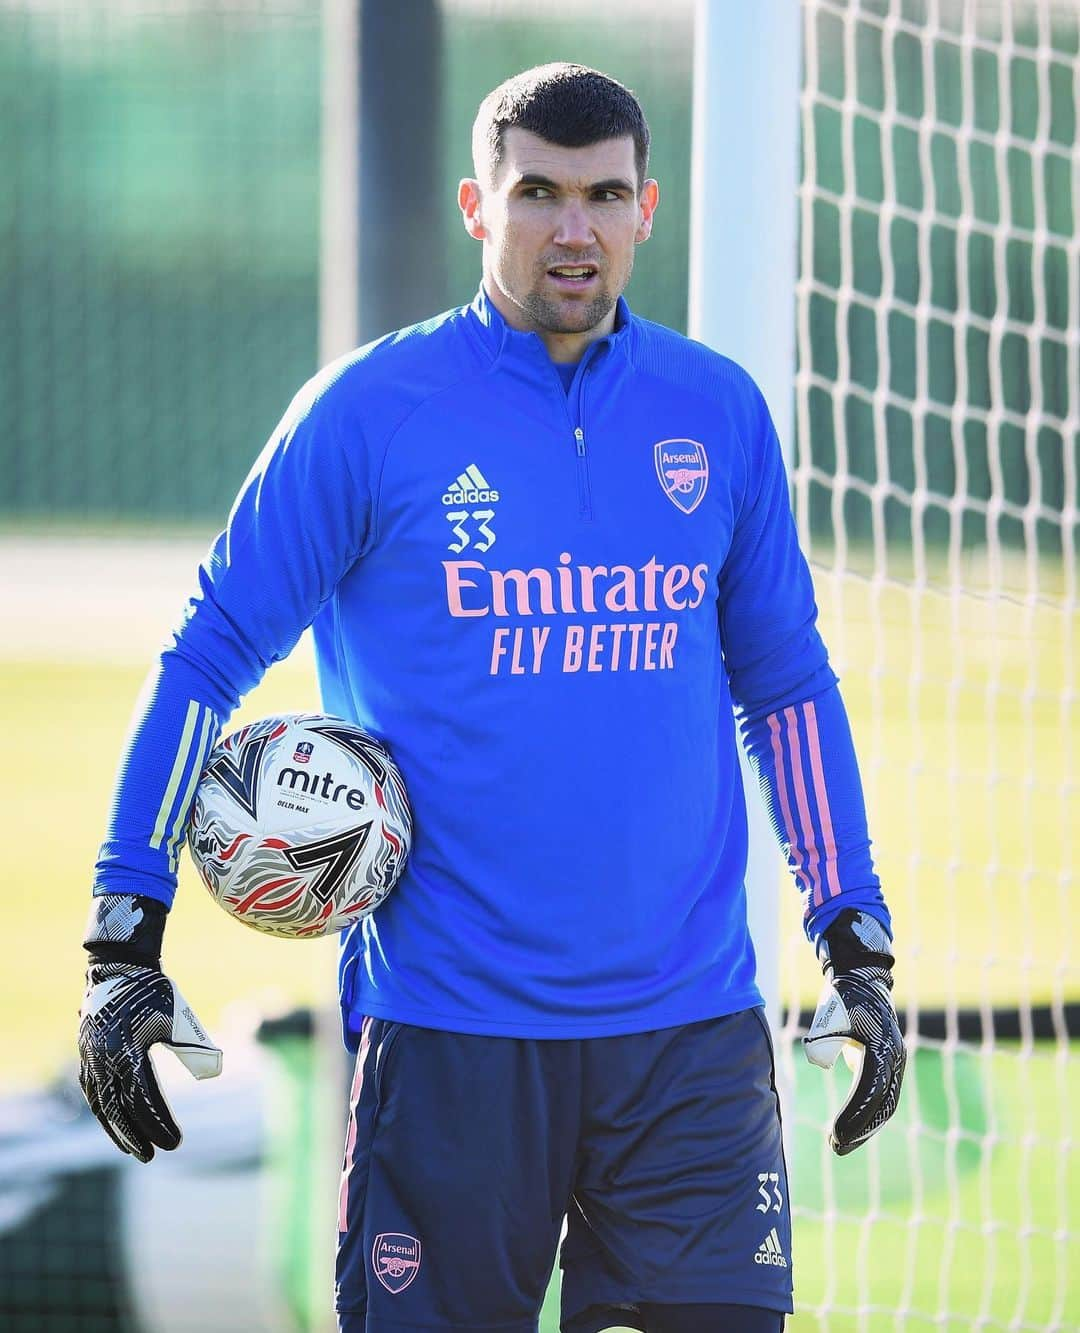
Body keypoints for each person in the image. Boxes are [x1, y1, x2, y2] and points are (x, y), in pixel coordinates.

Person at [78, 63, 905, 1333]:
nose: (572, 228)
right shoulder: (367, 416)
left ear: (646, 209)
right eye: (538, 193)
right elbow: (207, 654)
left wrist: (854, 936)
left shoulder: (717, 412)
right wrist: (120, 943)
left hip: (688, 1041)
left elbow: (785, 688)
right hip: (447, 1039)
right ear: (479, 205)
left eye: (602, 195)